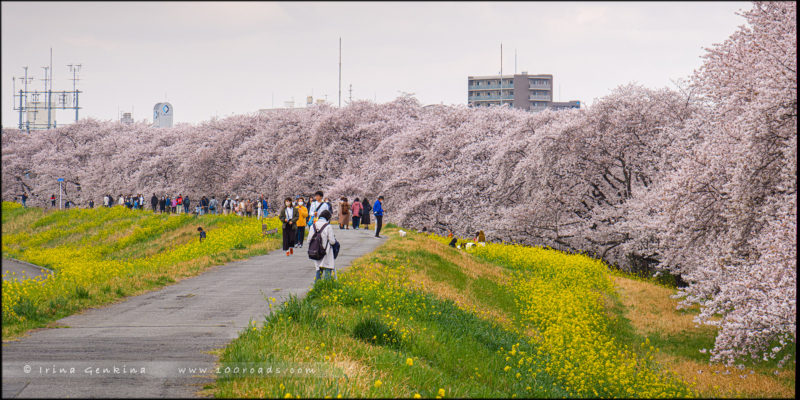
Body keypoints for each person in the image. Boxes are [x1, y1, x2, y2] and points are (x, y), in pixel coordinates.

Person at [310, 209, 336, 281]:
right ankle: (326, 287)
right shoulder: (328, 226)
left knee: (318, 269)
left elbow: (309, 240)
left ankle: (317, 287)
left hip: (315, 251)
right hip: (326, 251)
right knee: (327, 268)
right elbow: (332, 241)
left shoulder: (313, 226)